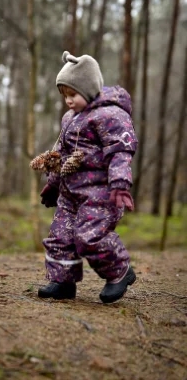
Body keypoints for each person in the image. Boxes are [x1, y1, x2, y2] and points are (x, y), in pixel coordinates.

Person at [32, 51, 138, 303]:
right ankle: (62, 281)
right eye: (64, 95)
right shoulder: (69, 118)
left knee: (89, 237)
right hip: (70, 194)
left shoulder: (111, 116)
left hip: (100, 194)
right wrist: (53, 184)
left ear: (89, 89)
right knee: (60, 236)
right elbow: (62, 155)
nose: (68, 101)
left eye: (73, 94)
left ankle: (119, 272)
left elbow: (121, 151)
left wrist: (120, 185)